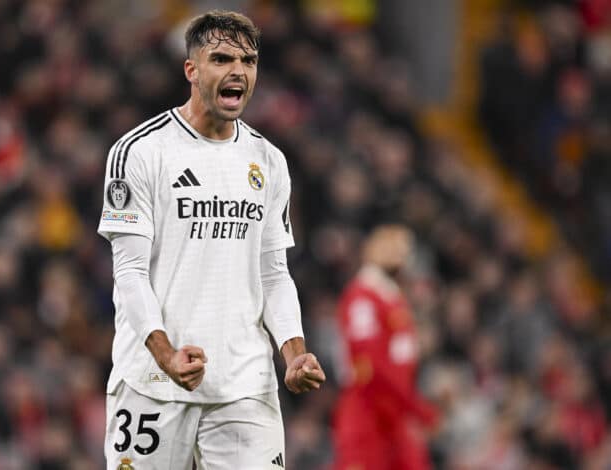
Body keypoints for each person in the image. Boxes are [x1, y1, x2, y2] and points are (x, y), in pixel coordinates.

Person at [96, 10, 325, 470]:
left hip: (245, 386)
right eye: (221, 59)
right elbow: (130, 274)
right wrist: (165, 355)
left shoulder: (269, 161)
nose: (238, 71)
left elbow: (273, 274)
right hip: (152, 386)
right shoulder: (139, 152)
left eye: (248, 61)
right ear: (192, 70)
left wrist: (294, 353)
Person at [332, 225, 438, 470]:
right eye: (399, 250)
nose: (404, 258)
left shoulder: (390, 296)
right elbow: (370, 364)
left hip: (395, 412)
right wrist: (417, 408)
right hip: (369, 408)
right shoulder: (362, 297)